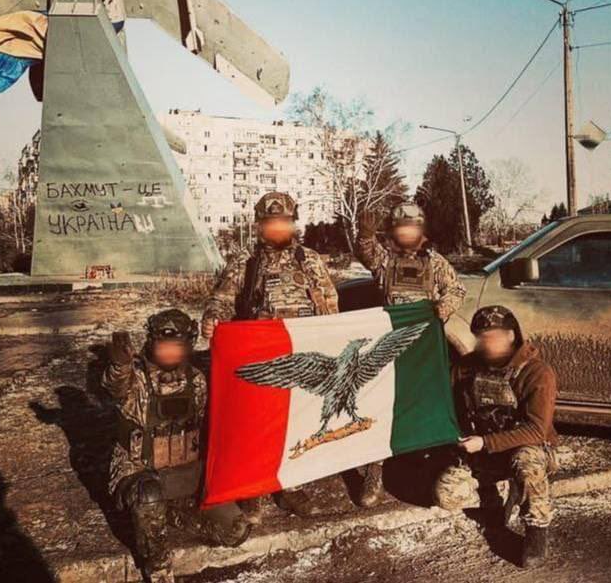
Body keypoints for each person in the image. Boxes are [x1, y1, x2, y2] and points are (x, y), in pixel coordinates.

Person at [201, 191, 339, 519]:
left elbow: (330, 304)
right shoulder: (245, 261)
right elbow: (222, 300)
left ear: (293, 223)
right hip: (261, 359)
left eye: (283, 221)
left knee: (298, 423)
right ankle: (254, 489)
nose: (277, 227)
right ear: (260, 225)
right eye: (270, 222)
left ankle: (291, 486)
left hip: (302, 358)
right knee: (257, 426)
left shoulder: (310, 260)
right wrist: (212, 319)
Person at [103, 309, 250, 583]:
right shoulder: (136, 380)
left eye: (176, 346)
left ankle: (172, 515)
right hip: (140, 475)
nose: (169, 352)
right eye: (164, 345)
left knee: (236, 530)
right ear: (152, 343)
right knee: (149, 494)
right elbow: (115, 386)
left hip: (186, 478)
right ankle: (158, 565)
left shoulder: (196, 380)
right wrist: (119, 365)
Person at [354, 201, 466, 507]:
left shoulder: (435, 262)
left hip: (423, 349)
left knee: (425, 405)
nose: (407, 232)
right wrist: (365, 233)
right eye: (401, 226)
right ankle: (375, 470)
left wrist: (443, 307)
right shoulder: (385, 259)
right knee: (381, 406)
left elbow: (457, 289)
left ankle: (427, 466)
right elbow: (365, 252)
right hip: (390, 347)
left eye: (412, 226)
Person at [433, 305, 559, 569]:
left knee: (527, 463)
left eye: (493, 337)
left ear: (511, 335)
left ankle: (537, 528)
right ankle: (499, 497)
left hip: (527, 448)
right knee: (447, 494)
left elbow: (537, 430)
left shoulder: (537, 372)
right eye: (481, 337)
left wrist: (485, 443)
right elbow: (448, 406)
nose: (487, 343)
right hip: (482, 450)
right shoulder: (466, 367)